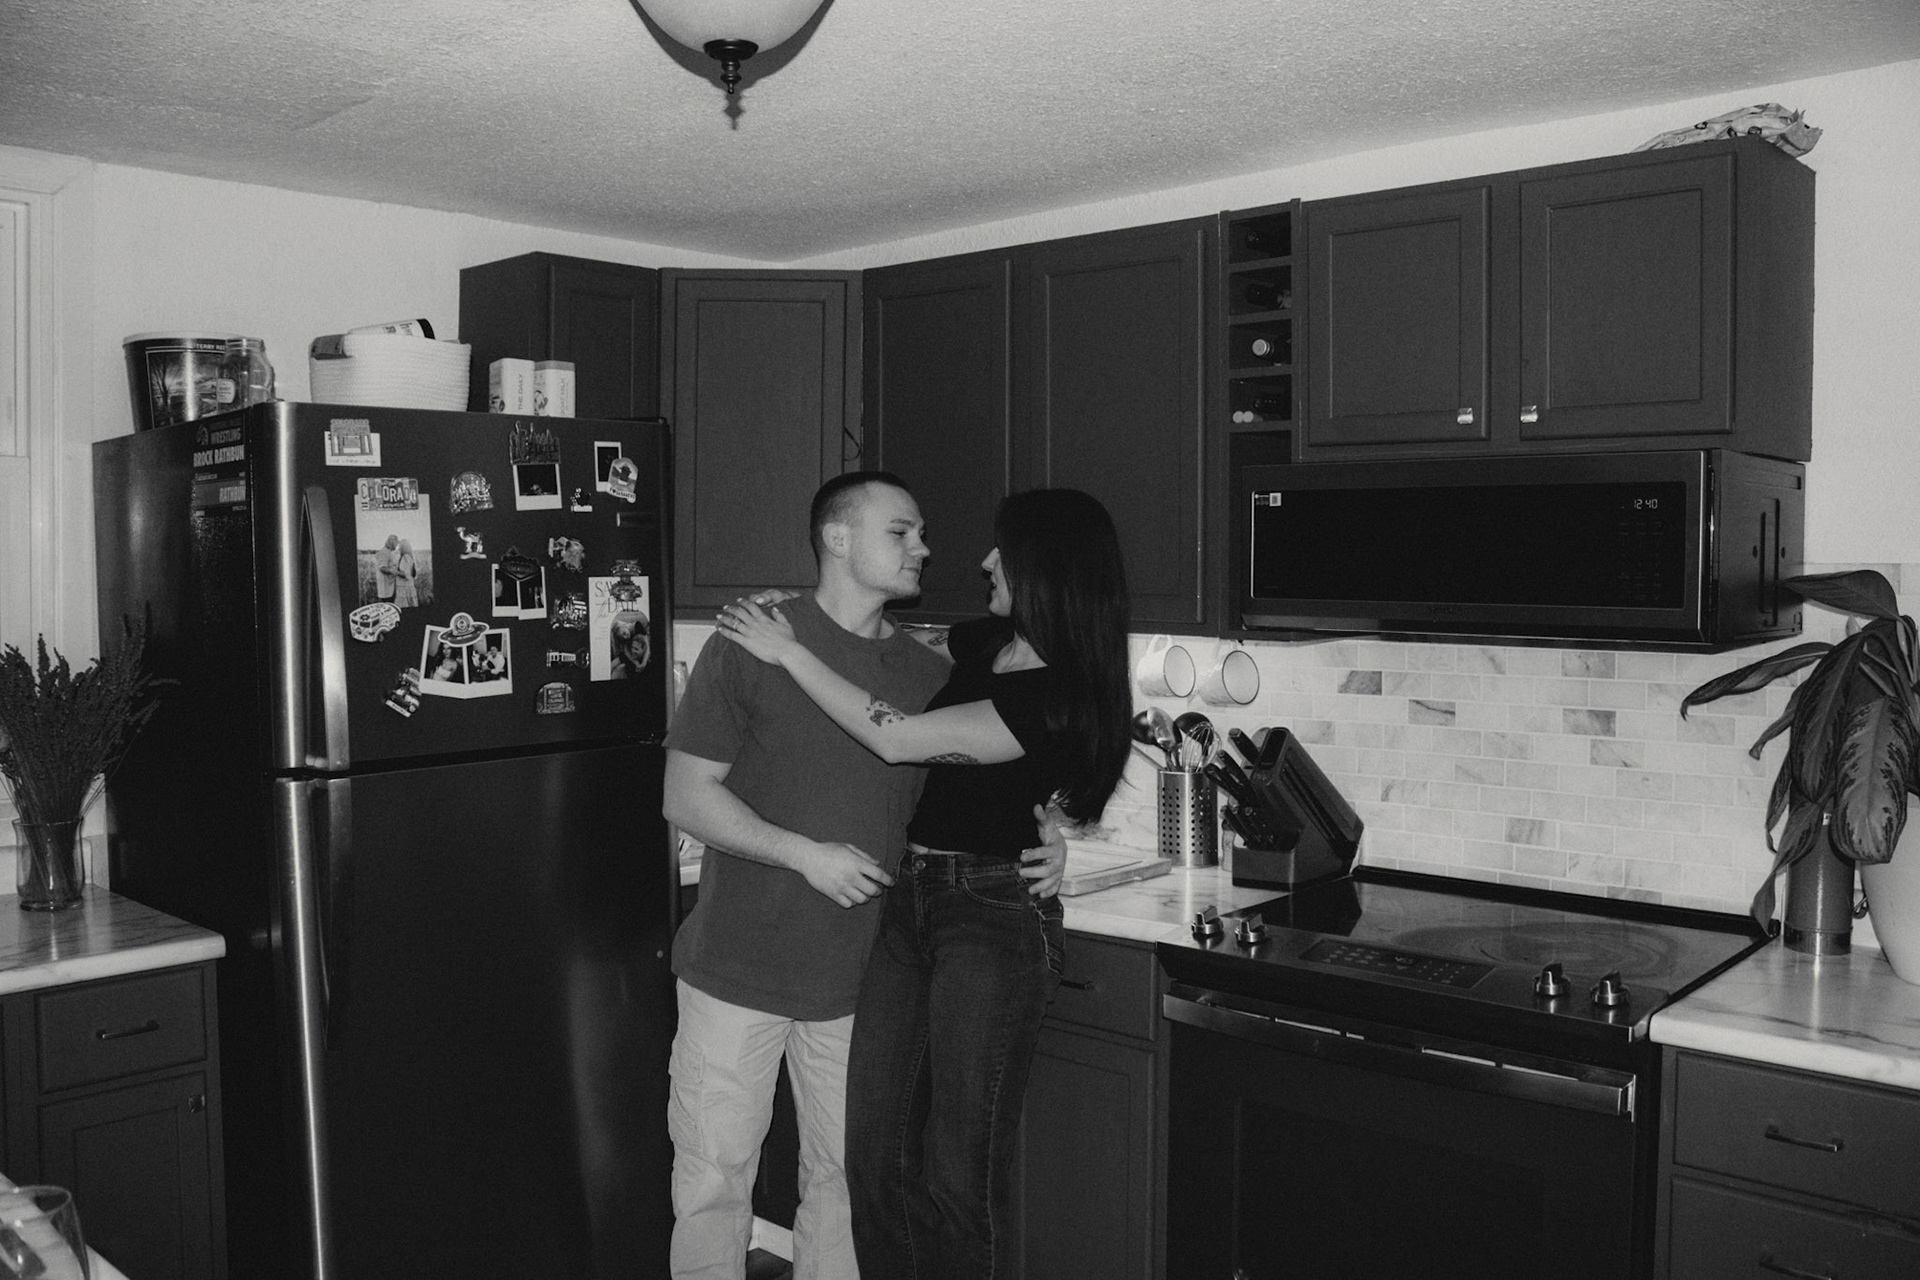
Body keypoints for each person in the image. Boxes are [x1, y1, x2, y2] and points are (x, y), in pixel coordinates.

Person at [715, 487, 1132, 1280]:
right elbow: (884, 639)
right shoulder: (987, 644)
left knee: (956, 1173)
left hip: (991, 916)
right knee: (871, 1157)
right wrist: (803, 613)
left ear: (1047, 566)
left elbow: (900, 738)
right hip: (910, 903)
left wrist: (790, 651)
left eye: (1003, 550)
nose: (984, 560)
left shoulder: (1057, 693)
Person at [393, 539, 419, 608]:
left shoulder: (406, 557)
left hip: (404, 587)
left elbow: (406, 574)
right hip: (406, 586)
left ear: (403, 547)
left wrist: (395, 572)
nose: (398, 547)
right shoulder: (408, 557)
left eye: (400, 546)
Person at [374, 534, 399, 602]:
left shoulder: (389, 552)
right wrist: (393, 571)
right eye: (396, 543)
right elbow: (382, 568)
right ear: (392, 542)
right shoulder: (383, 553)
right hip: (385, 587)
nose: (397, 545)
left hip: (389, 585)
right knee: (387, 603)